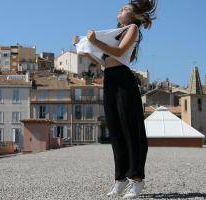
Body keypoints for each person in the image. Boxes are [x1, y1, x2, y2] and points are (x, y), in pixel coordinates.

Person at [73, 0, 157, 198]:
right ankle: (120, 180)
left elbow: (119, 53)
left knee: (130, 130)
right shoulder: (115, 33)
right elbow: (103, 61)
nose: (120, 10)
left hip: (125, 81)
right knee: (116, 132)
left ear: (134, 15)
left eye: (125, 8)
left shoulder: (133, 28)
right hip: (110, 80)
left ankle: (136, 180)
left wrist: (94, 42)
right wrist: (83, 48)